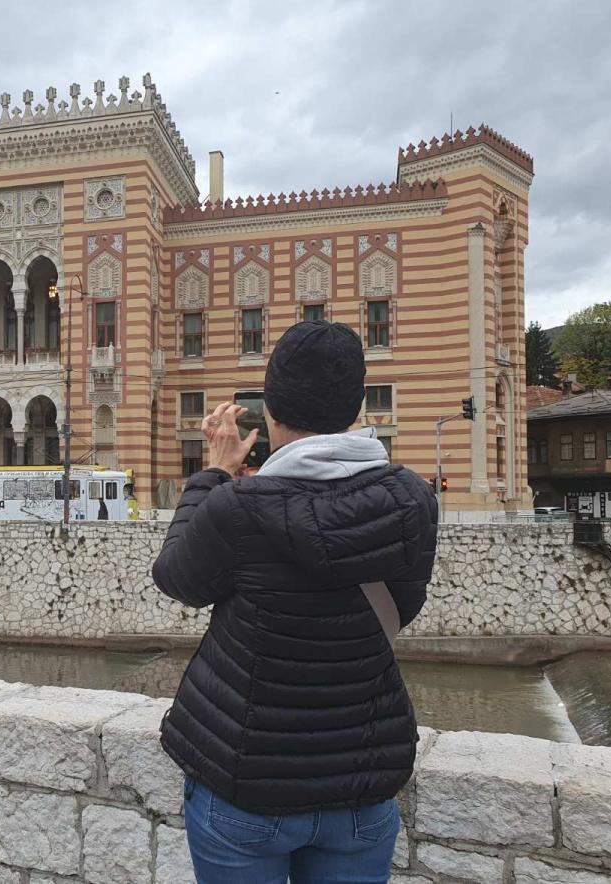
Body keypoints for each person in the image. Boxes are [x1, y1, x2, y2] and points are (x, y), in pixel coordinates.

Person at [153, 320, 437, 884]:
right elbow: (400, 609)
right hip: (361, 783)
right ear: (357, 406)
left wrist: (213, 473)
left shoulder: (238, 508)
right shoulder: (413, 500)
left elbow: (176, 578)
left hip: (245, 783)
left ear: (271, 409)